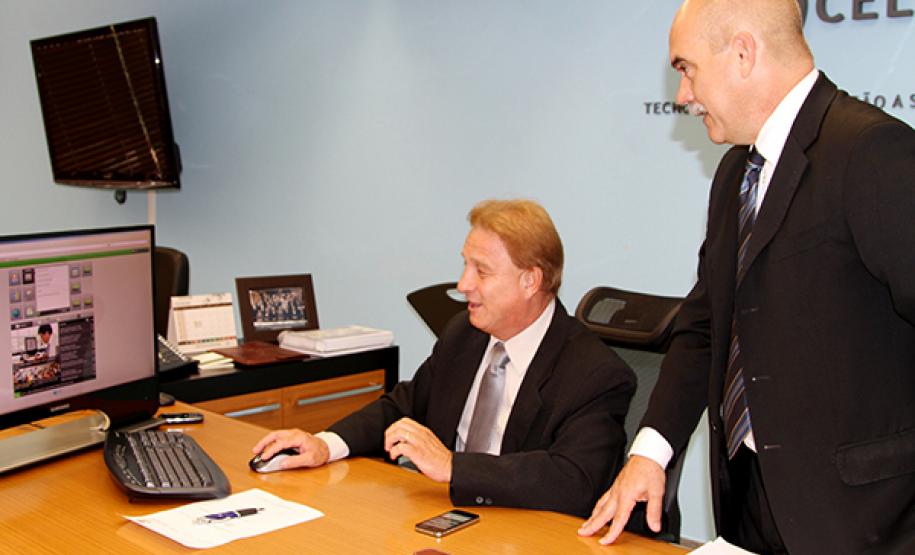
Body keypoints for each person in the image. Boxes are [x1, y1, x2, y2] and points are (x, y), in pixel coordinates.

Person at [578, 1, 915, 553]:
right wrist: (650, 450)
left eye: (686, 68)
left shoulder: (871, 152)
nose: (681, 95)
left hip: (864, 521)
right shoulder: (737, 171)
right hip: (749, 505)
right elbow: (707, 324)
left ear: (742, 53)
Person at [253, 199, 635, 517]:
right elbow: (401, 407)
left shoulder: (595, 374)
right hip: (446, 519)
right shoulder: (463, 335)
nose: (463, 284)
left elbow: (574, 480)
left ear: (530, 281)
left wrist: (454, 466)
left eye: (481, 271)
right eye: (465, 265)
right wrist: (326, 443)